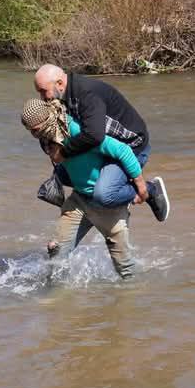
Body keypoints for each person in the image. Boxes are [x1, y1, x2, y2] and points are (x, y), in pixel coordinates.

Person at [22, 98, 144, 279]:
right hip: (78, 201)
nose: (34, 135)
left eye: (35, 130)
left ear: (46, 121)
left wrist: (141, 187)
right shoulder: (48, 138)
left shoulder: (79, 130)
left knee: (126, 271)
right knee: (56, 255)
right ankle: (55, 300)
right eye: (29, 131)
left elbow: (123, 151)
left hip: (107, 205)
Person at [34, 63, 170, 221]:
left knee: (104, 194)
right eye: (39, 92)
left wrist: (63, 152)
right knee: (63, 175)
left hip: (131, 146)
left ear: (59, 83)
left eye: (43, 91)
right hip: (105, 148)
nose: (42, 98)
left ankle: (151, 189)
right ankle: (113, 191)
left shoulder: (86, 93)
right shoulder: (61, 96)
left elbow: (94, 135)